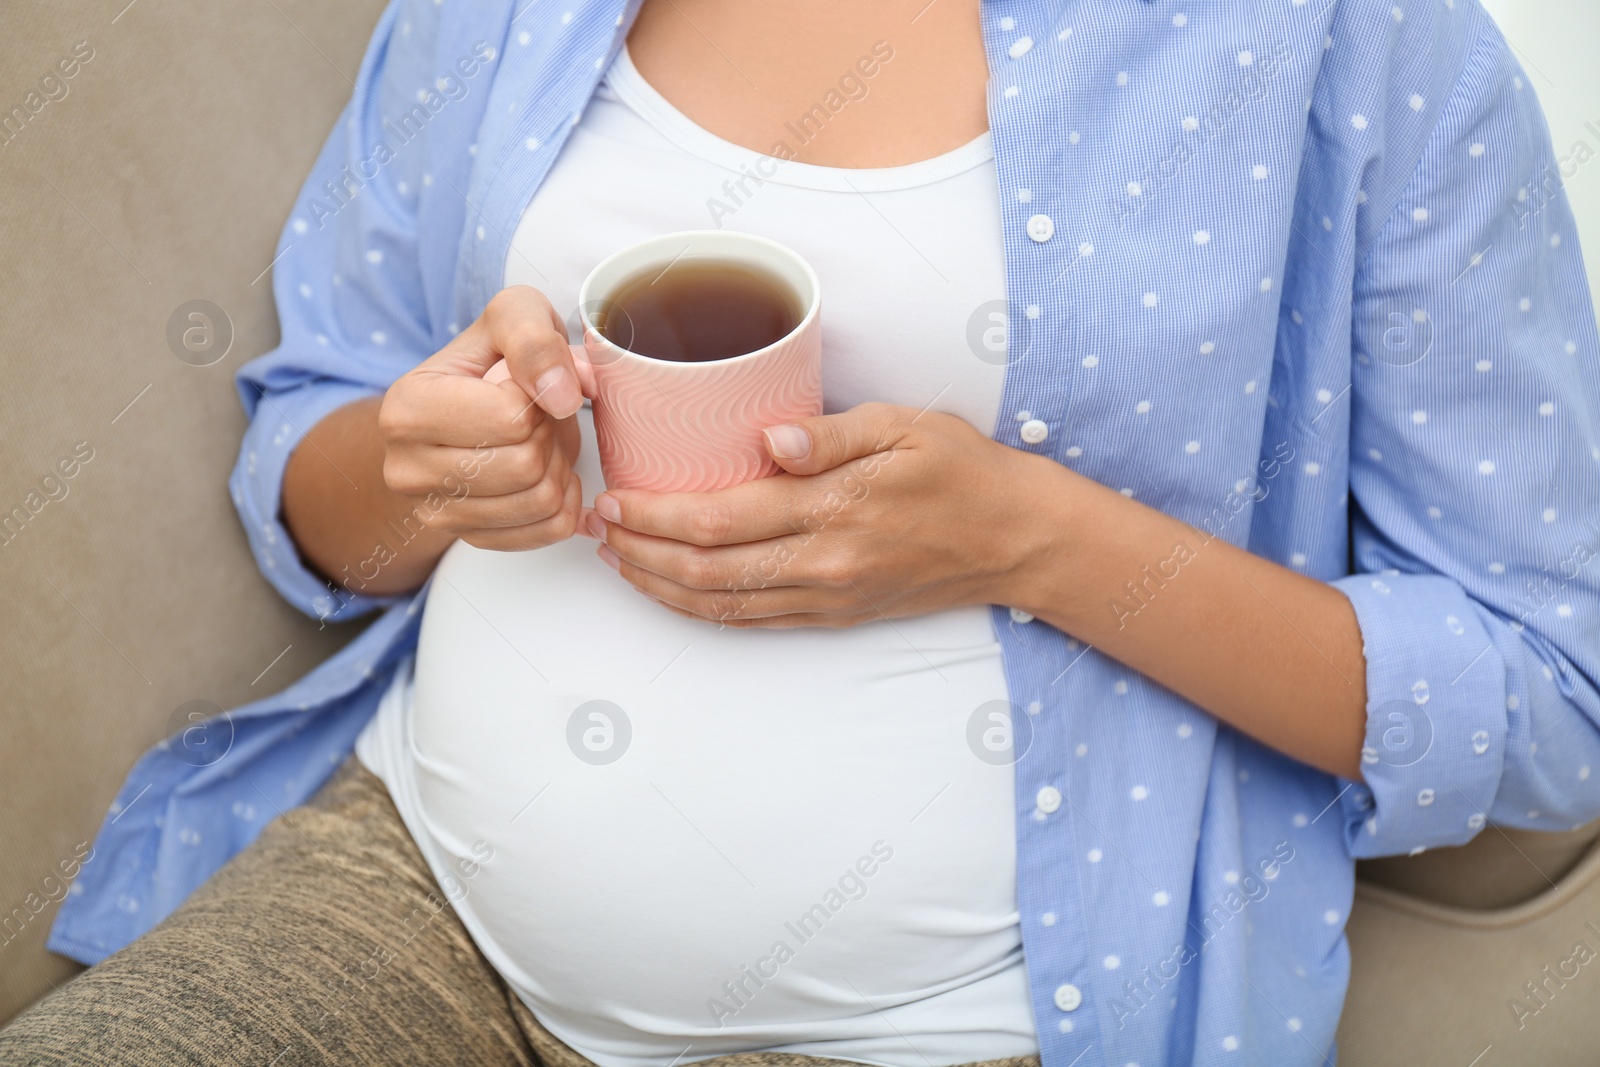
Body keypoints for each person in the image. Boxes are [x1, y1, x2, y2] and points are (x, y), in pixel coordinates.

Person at [6, 0, 1599, 1064]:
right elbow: (318, 468)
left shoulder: (1361, 44)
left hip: (950, 1019)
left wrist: (1029, 541)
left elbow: (1552, 690)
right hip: (418, 887)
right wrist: (420, 469)